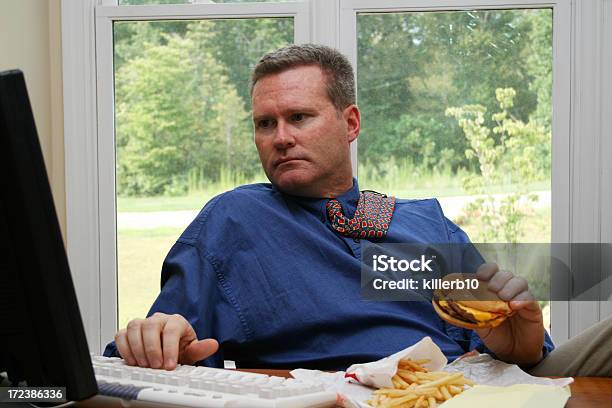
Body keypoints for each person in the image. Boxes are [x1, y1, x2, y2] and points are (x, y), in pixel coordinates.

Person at [104, 44, 555, 372]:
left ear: (350, 123)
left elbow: (510, 345)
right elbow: (162, 345)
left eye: (299, 117)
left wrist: (525, 347)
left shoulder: (423, 221)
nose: (280, 137)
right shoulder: (234, 220)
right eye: (265, 123)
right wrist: (153, 338)